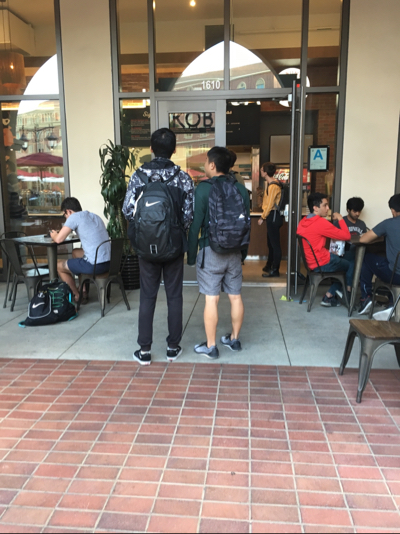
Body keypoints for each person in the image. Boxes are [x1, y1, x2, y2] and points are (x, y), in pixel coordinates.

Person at [122, 128, 194, 366]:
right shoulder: (182, 178)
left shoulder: (138, 177)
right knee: (174, 296)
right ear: (174, 150)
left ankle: (144, 350)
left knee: (147, 296)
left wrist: (147, 230)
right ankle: (172, 348)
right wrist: (172, 230)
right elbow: (188, 216)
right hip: (173, 246)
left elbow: (127, 211)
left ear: (151, 149)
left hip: (146, 246)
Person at [187, 146, 250, 359]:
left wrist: (191, 255)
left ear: (212, 165)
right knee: (235, 297)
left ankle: (211, 346)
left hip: (210, 250)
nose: (205, 164)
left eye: (206, 161)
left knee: (211, 300)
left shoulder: (203, 189)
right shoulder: (240, 188)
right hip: (234, 251)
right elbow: (246, 224)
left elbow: (195, 226)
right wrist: (243, 253)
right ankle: (234, 339)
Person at [50, 197, 111, 303]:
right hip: (109, 263)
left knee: (58, 265)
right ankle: (83, 290)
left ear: (68, 211)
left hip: (95, 265)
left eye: (65, 215)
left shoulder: (74, 217)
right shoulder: (94, 216)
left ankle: (77, 295)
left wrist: (53, 234)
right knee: (75, 252)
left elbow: (59, 239)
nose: (66, 218)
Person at [297, 192, 352, 307]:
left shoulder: (302, 222)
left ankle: (337, 291)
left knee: (339, 259)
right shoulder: (321, 222)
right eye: (325, 205)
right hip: (321, 263)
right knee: (350, 264)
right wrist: (340, 218)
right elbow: (347, 236)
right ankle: (331, 294)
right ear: (315, 208)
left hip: (310, 263)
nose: (328, 208)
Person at [358, 193, 400, 314]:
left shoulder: (388, 223)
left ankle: (366, 297)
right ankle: (392, 302)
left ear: (393, 210)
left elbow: (363, 239)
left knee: (367, 258)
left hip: (396, 276)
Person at [258, 162, 283, 277]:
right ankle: (270, 265)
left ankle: (275, 269)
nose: (260, 171)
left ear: (266, 172)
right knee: (271, 243)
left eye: (262, 170)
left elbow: (270, 204)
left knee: (275, 244)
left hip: (273, 216)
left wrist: (262, 217)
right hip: (273, 216)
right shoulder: (272, 184)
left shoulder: (273, 186)